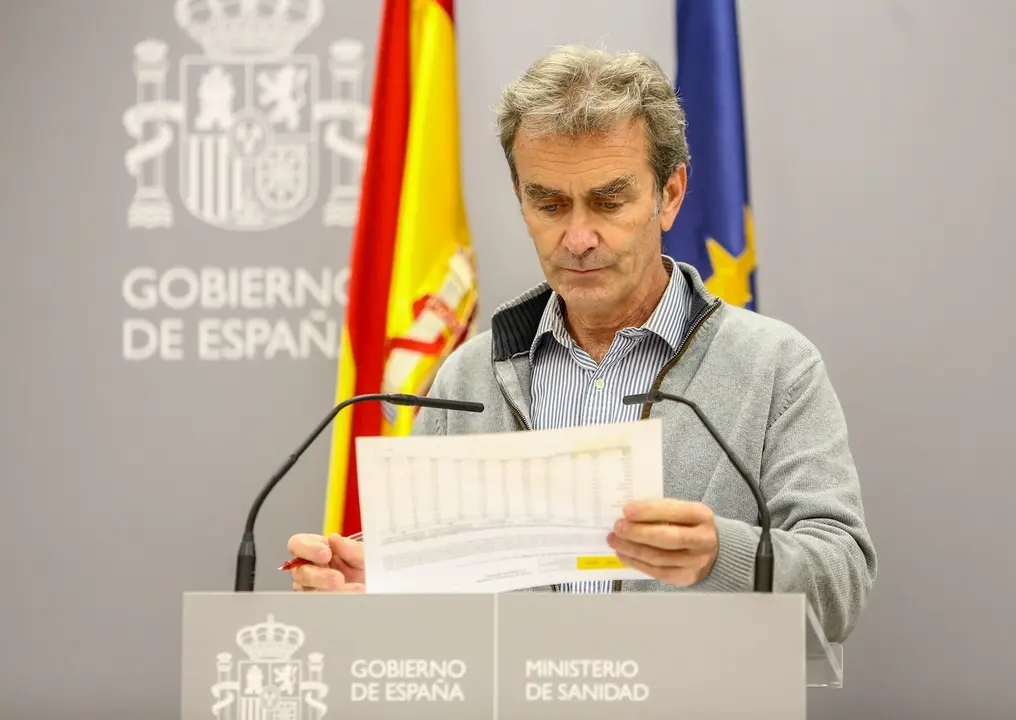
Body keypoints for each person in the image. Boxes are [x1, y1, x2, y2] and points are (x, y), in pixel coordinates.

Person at [288, 45, 877, 643]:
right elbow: (437, 614)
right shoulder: (467, 378)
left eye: (608, 201)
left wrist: (722, 554)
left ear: (670, 195)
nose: (577, 237)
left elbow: (840, 586)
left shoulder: (775, 365)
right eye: (549, 204)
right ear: (521, 201)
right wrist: (379, 591)